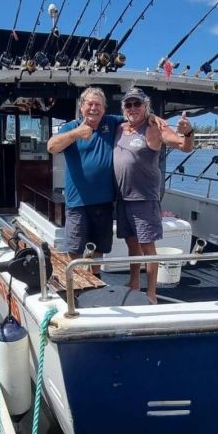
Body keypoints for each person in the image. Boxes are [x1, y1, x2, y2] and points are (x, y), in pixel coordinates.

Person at [113, 87, 194, 303]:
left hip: (144, 199)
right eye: (128, 104)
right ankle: (134, 283)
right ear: (124, 108)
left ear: (146, 106)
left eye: (137, 104)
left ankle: (151, 293)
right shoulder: (120, 128)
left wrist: (187, 132)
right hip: (123, 198)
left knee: (148, 248)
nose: (133, 108)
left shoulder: (155, 128)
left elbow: (184, 146)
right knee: (132, 244)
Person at [46, 87, 121, 271]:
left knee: (100, 247)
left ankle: (96, 278)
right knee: (75, 248)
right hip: (77, 203)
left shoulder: (112, 122)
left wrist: (153, 117)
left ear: (104, 108)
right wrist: (76, 133)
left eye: (98, 104)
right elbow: (51, 147)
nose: (94, 108)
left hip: (104, 202)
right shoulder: (71, 127)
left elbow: (136, 119)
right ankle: (78, 281)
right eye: (90, 104)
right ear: (81, 107)